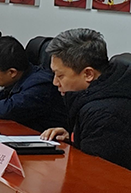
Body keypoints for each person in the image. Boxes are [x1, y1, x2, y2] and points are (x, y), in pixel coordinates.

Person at [39, 29, 131, 170]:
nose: (55, 82)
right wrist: (74, 138)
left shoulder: (105, 114)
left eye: (60, 76)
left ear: (88, 74)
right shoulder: (104, 90)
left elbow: (96, 173)